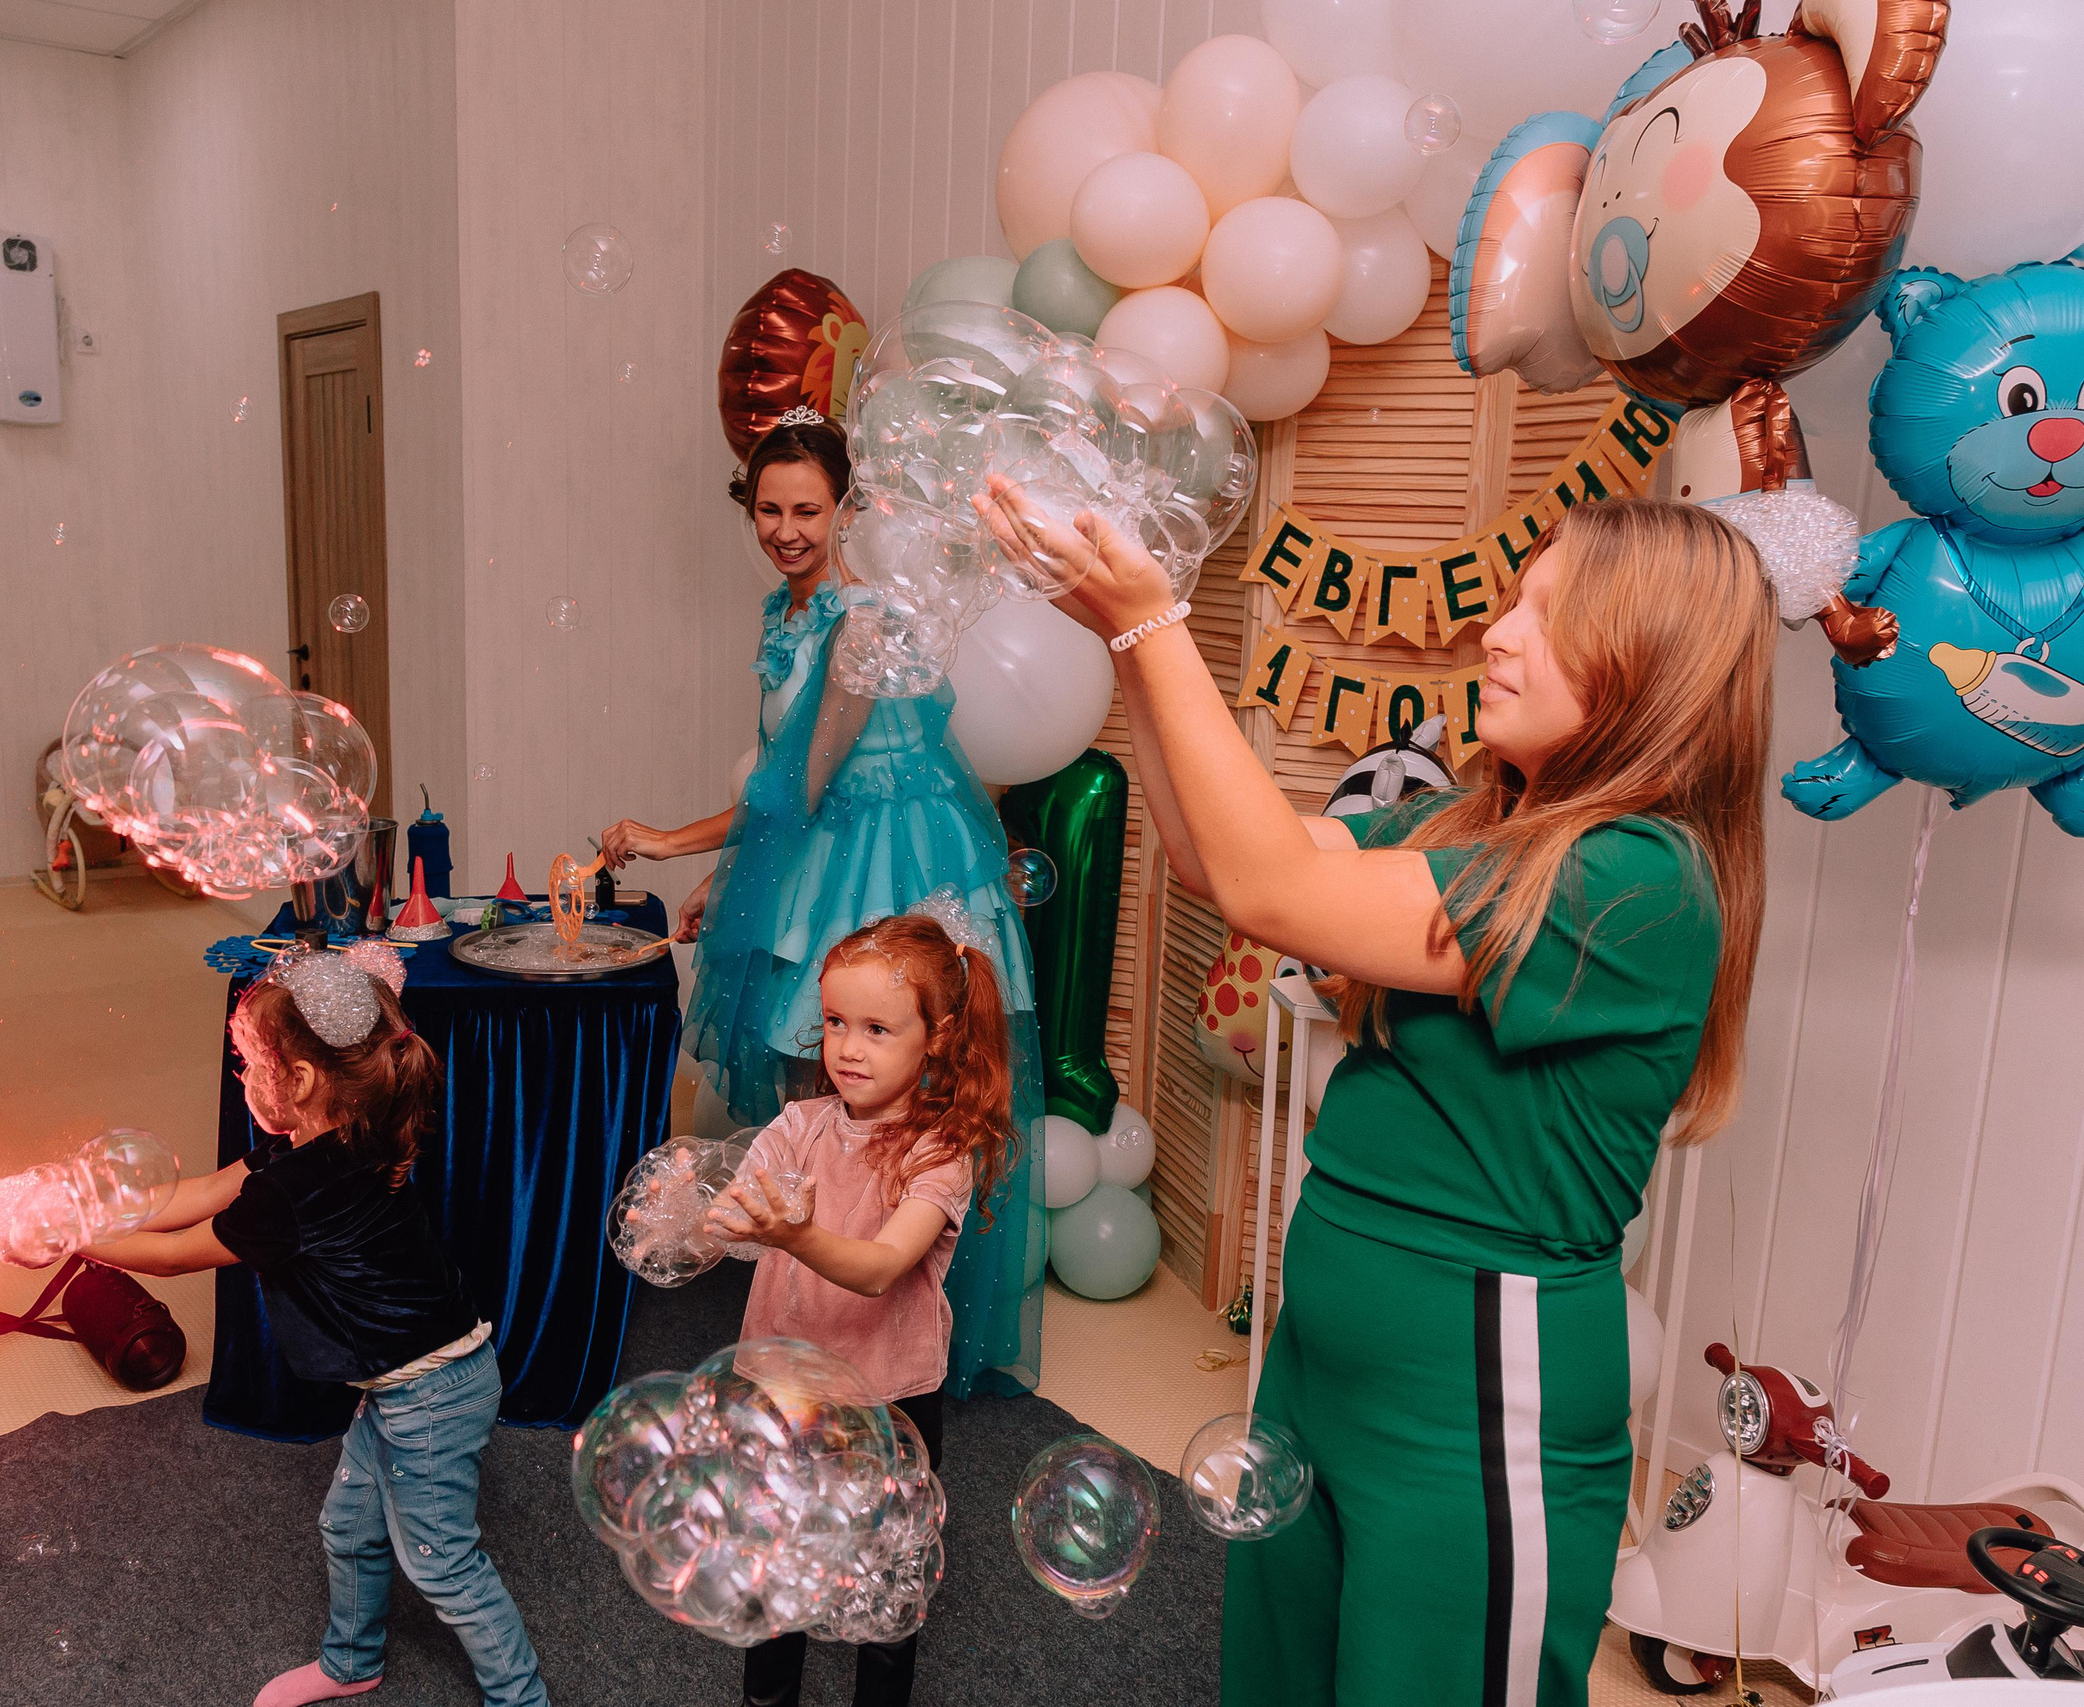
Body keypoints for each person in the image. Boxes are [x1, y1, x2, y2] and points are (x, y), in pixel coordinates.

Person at [976, 483, 1772, 1707]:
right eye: (1510, 598)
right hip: (1325, 1367)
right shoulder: (1470, 827)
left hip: (1469, 1400)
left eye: (1547, 616)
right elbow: (1210, 858)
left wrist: (1151, 625)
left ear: (1650, 667)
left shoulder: (1639, 878)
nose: (1498, 632)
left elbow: (1273, 894)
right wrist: (1117, 637)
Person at [601, 408, 1046, 1397]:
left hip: (890, 865)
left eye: (808, 510)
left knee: (896, 1102)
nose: (787, 530)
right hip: (816, 855)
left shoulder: (863, 620)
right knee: (827, 1101)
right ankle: (819, 1308)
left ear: (845, 510)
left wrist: (672, 843)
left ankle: (890, 1336)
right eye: (768, 509)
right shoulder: (785, 614)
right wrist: (731, 874)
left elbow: (794, 787)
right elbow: (779, 780)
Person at [83, 943, 548, 1707]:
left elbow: (169, 1259)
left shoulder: (291, 1194)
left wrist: (68, 1236)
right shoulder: (316, 1134)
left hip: (434, 1394)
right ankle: (352, 1660)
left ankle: (521, 1697)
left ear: (297, 1081)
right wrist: (90, 1205)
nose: (241, 1078)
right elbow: (196, 1191)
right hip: (407, 1384)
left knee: (441, 1562)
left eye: (248, 1064)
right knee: (348, 1526)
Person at [703, 908, 1016, 1707]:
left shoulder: (940, 1152)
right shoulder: (800, 1123)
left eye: (878, 1028)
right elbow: (741, 1189)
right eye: (836, 1021)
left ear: (937, 1036)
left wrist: (796, 1234)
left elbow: (879, 1269)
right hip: (781, 1387)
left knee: (883, 1583)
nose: (846, 1046)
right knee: (774, 1569)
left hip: (885, 1399)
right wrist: (704, 1213)